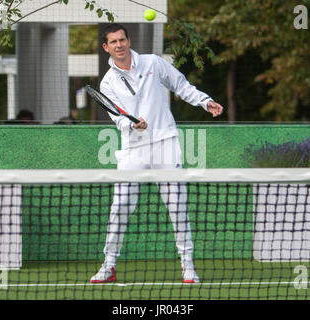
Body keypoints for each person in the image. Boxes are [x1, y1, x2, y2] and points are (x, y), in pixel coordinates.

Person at [91, 23, 223, 284]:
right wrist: (132, 124)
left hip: (165, 143)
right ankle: (109, 265)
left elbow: (181, 85)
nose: (119, 45)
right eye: (113, 42)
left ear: (129, 41)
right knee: (119, 208)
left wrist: (205, 101)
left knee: (178, 206)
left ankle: (188, 266)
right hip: (132, 150)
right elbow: (118, 119)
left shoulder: (153, 62)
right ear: (106, 47)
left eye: (122, 40)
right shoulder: (107, 83)